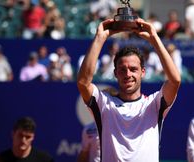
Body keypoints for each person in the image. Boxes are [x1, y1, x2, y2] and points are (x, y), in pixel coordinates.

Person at [77, 18, 181, 161]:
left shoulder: (153, 104)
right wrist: (100, 38)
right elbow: (83, 82)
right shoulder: (104, 104)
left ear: (142, 72)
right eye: (122, 70)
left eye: (133, 69)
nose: (128, 74)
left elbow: (175, 80)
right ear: (115, 73)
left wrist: (155, 39)